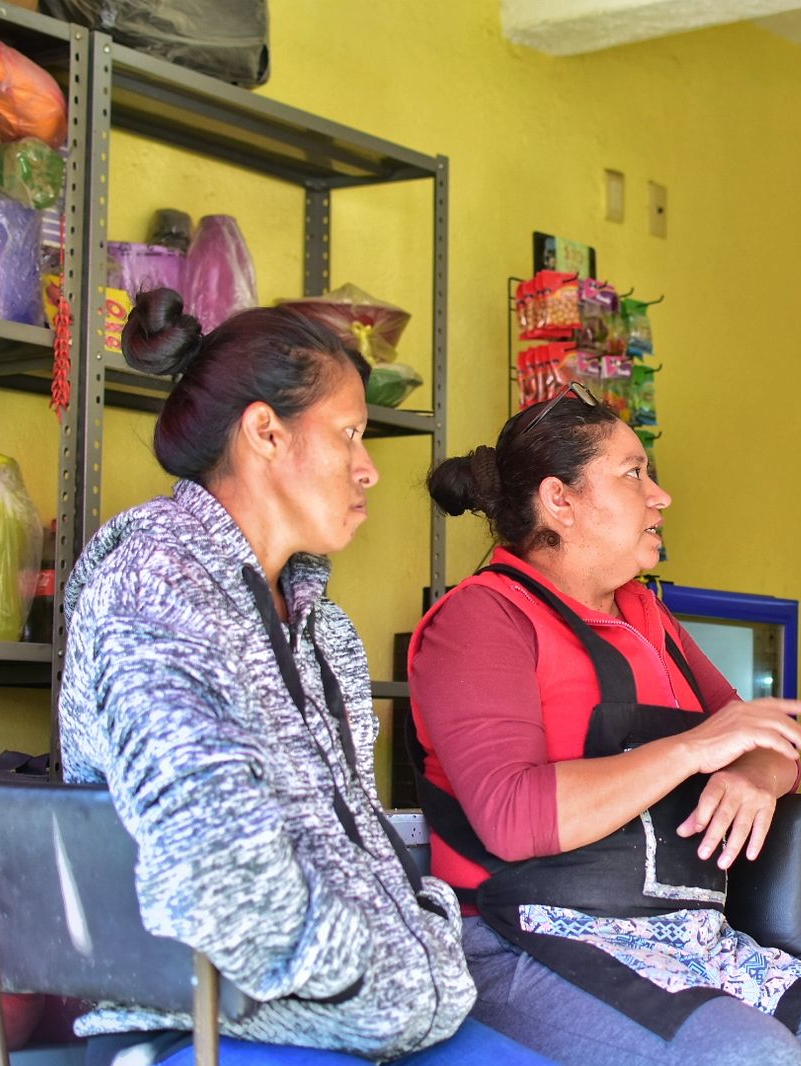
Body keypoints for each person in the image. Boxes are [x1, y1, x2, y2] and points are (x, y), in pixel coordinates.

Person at [58, 290, 546, 1065]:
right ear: (264, 433)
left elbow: (360, 836)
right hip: (209, 1028)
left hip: (360, 1021)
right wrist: (382, 976)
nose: (369, 469)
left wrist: (422, 941)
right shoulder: (153, 588)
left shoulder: (322, 629)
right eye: (350, 434)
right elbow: (222, 878)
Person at [410, 383, 801, 1065]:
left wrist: (750, 776)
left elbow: (775, 746)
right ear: (559, 501)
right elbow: (513, 817)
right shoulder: (482, 620)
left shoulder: (647, 617)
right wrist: (694, 749)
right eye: (633, 474)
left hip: (688, 940)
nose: (660, 496)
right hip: (526, 939)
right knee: (744, 1056)